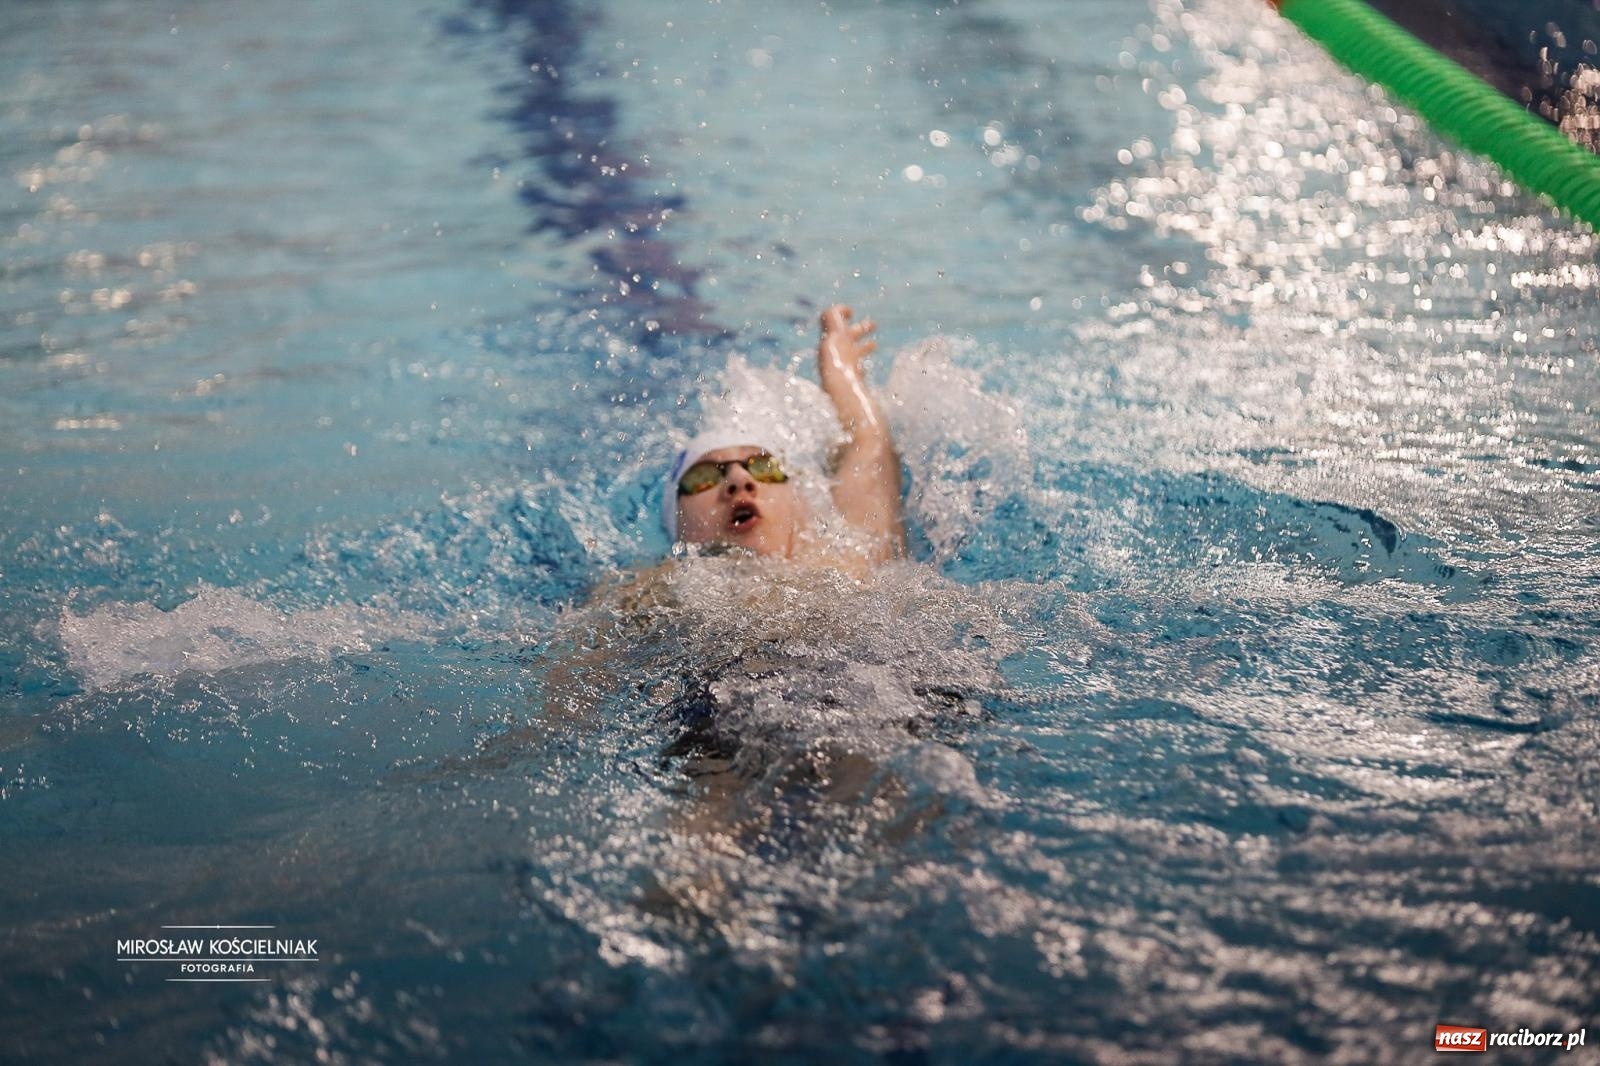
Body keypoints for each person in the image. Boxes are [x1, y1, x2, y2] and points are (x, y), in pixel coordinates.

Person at [663, 304, 906, 570]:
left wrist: (842, 375)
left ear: (799, 504)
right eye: (704, 477)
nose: (739, 480)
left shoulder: (852, 562)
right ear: (677, 520)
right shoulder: (648, 596)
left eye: (764, 468)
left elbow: (869, 446)